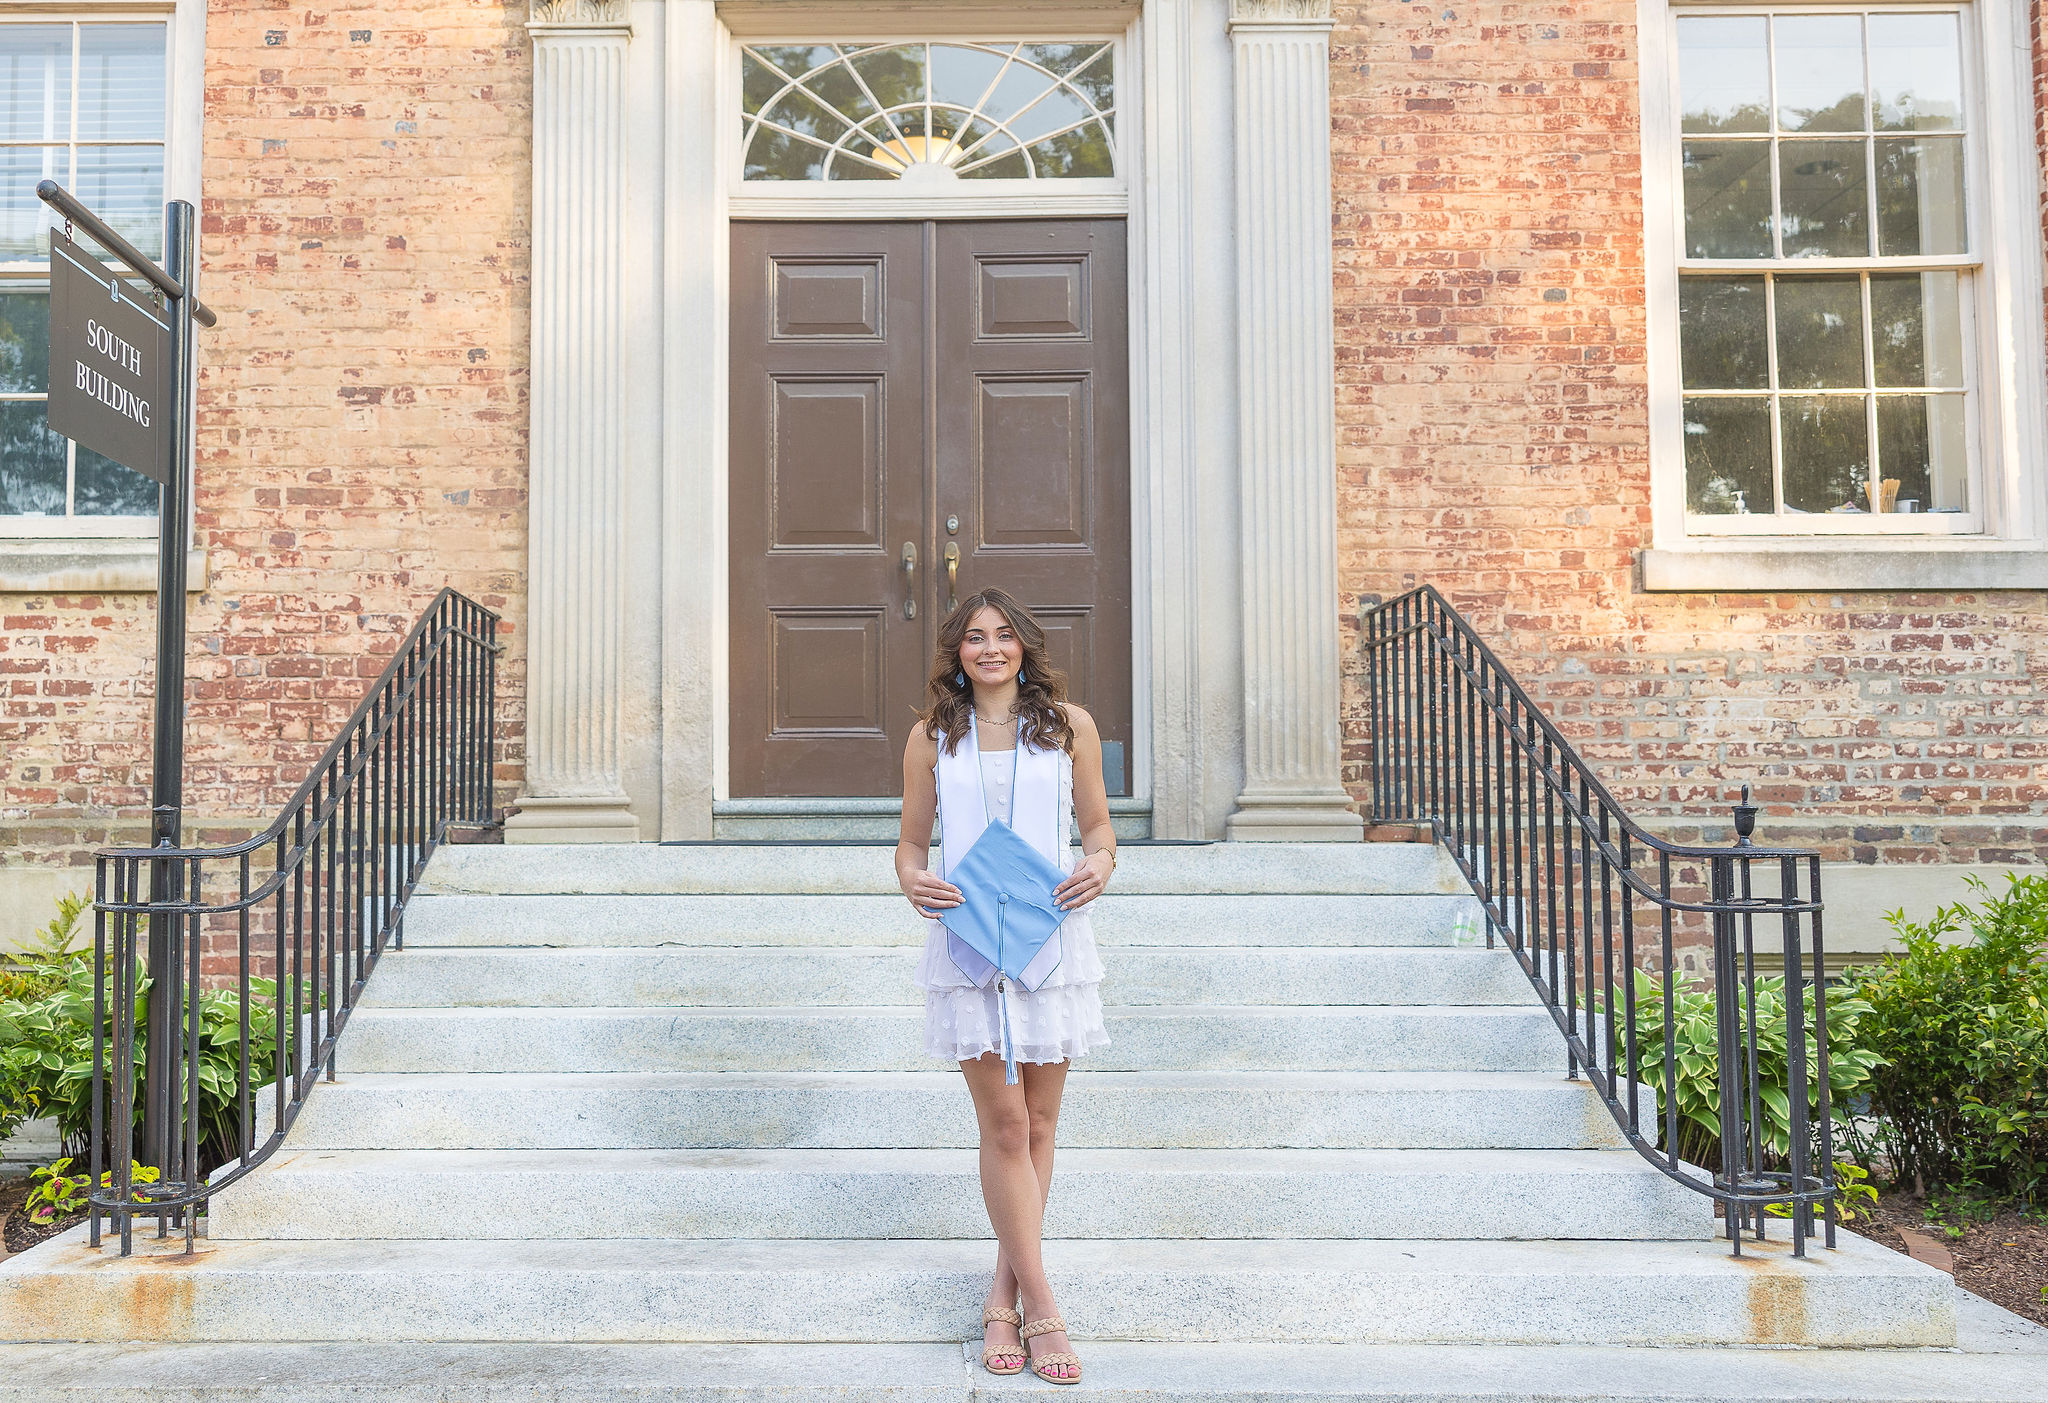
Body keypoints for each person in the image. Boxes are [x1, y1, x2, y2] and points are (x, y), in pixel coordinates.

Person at [895, 587, 1116, 1386]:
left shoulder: (1069, 728)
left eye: (1004, 636)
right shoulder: (931, 737)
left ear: (1025, 645)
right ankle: (1045, 1307)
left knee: (1043, 1123)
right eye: (974, 638)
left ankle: (1002, 1294)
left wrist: (1101, 861)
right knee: (1006, 1124)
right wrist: (914, 882)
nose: (991, 649)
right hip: (968, 943)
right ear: (957, 652)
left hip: (1050, 934)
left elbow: (1097, 827)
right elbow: (911, 844)